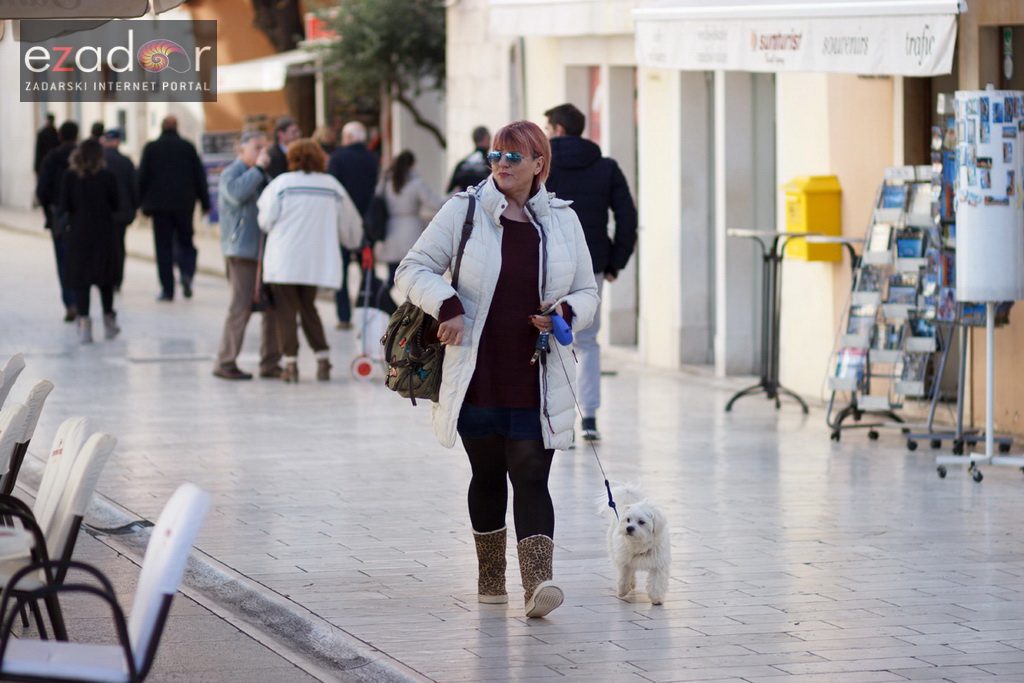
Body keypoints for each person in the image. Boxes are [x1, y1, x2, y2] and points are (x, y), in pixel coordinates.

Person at [395, 121, 599, 618]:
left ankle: (538, 584)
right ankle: (490, 577)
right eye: (496, 155)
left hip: (537, 372)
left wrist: (565, 312)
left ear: (539, 164)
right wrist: (447, 305)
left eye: (513, 157)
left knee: (531, 473)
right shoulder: (463, 210)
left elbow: (587, 291)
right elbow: (412, 268)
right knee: (487, 475)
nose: (501, 164)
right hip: (477, 369)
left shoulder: (563, 220)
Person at [543, 103, 637, 443]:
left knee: (547, 337)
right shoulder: (606, 167)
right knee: (587, 340)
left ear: (558, 129)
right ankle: (590, 417)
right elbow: (627, 217)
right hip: (592, 265)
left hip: (548, 265)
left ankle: (554, 416)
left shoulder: (541, 166)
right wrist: (615, 261)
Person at [256, 139, 362, 383]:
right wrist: (353, 243)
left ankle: (291, 365)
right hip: (316, 260)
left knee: (286, 312)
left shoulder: (281, 184)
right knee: (309, 309)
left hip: (284, 259)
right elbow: (350, 222)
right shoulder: (331, 186)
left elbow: (265, 220)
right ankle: (323, 360)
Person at [212, 131, 282, 381]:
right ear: (241, 150)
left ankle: (270, 361)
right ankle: (225, 361)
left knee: (271, 307)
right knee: (240, 307)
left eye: (265, 148)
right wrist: (258, 170)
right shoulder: (232, 172)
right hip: (241, 251)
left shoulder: (263, 175)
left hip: (266, 252)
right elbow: (236, 194)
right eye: (256, 148)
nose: (262, 153)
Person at [137, 115, 210, 301]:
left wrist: (139, 204)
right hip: (184, 204)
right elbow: (199, 176)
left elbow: (142, 177)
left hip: (159, 207)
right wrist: (205, 203)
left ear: (162, 128)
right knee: (186, 241)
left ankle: (167, 290)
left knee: (163, 247)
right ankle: (187, 272)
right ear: (177, 127)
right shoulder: (187, 147)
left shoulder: (152, 148)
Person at [59, 139, 121, 343]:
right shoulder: (108, 176)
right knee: (105, 280)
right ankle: (109, 321)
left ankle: (85, 325)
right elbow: (116, 204)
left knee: (82, 281)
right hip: (104, 233)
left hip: (79, 234)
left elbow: (64, 205)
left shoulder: (70, 176)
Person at [326, 121, 380, 328]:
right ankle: (366, 311)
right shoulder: (373, 158)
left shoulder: (337, 157)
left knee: (341, 271)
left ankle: (344, 317)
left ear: (348, 137)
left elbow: (332, 189)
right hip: (367, 222)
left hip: (343, 223)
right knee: (367, 269)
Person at [375, 150, 442, 292]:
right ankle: (412, 304)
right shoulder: (416, 182)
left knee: (392, 275)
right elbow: (434, 203)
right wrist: (453, 196)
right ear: (412, 165)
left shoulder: (386, 181)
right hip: (412, 231)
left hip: (391, 230)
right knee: (414, 275)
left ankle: (382, 298)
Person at [36, 120, 80, 322]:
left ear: (60, 136)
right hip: (80, 217)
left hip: (59, 216)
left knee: (63, 262)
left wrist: (49, 212)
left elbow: (42, 191)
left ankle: (71, 302)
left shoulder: (51, 158)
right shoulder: (83, 158)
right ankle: (80, 301)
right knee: (80, 261)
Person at [101, 129, 138, 291]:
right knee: (118, 246)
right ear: (118, 142)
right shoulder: (126, 162)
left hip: (101, 212)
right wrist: (134, 207)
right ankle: (116, 279)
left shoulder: (98, 161)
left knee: (102, 245)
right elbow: (134, 188)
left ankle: (103, 277)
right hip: (121, 212)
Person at [447, 125, 491, 193]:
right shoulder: (491, 164)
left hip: (465, 198)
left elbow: (450, 191)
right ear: (486, 138)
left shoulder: (462, 164)